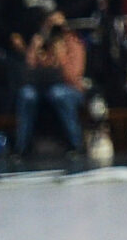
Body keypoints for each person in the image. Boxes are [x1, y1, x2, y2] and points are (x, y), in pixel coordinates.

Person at [12, 9, 87, 164]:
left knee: (58, 94)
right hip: (42, 89)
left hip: (69, 89)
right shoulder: (42, 42)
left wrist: (61, 59)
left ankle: (76, 145)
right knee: (26, 94)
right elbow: (28, 71)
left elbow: (73, 76)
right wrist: (36, 47)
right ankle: (21, 148)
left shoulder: (73, 43)